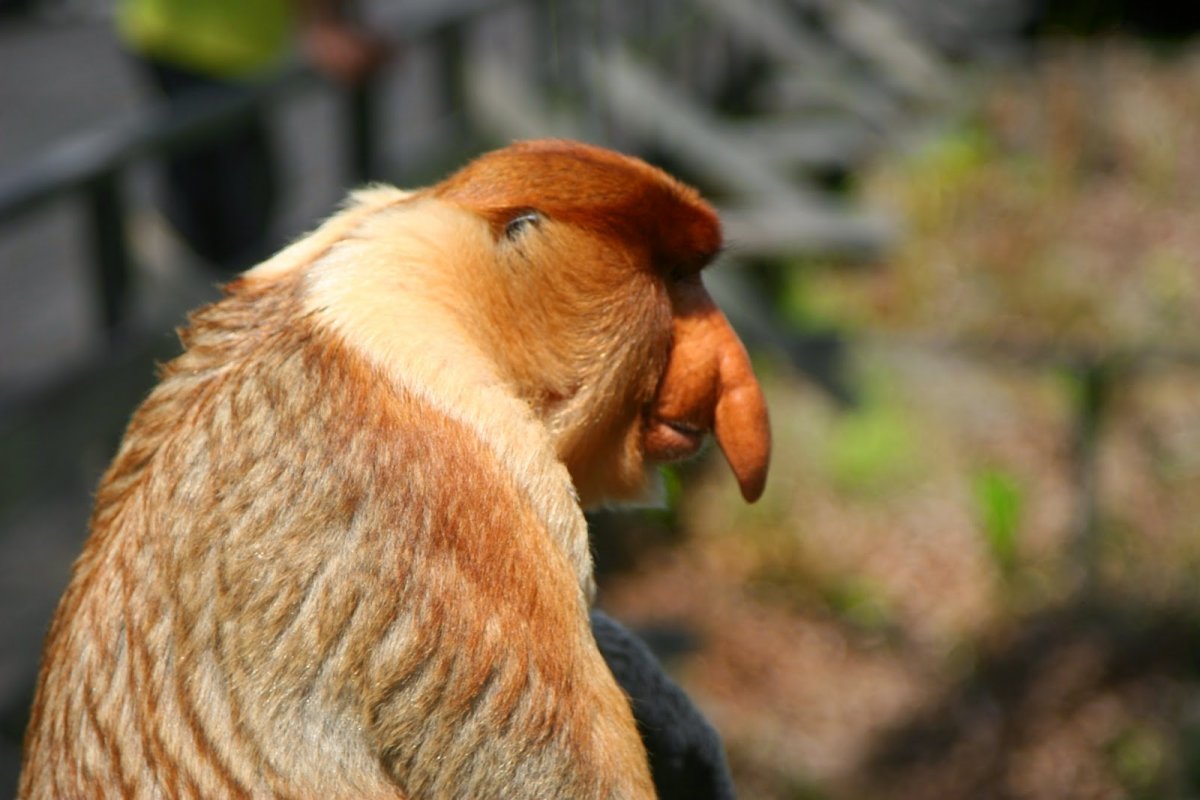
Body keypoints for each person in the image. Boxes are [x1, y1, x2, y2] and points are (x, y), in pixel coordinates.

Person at [115, 0, 390, 273]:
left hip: (210, 42)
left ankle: (198, 260)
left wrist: (330, 24)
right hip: (197, 42)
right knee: (232, 201)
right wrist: (325, 25)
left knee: (231, 192)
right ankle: (203, 267)